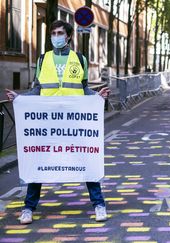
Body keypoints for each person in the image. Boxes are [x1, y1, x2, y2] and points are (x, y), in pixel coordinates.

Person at [5, 20, 110, 224]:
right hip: (48, 123)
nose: (56, 36)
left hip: (74, 122)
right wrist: (20, 98)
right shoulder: (43, 59)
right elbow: (38, 89)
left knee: (87, 160)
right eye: (53, 33)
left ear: (69, 36)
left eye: (60, 32)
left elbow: (83, 88)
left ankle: (99, 205)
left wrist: (98, 95)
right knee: (39, 161)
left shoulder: (80, 59)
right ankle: (28, 208)